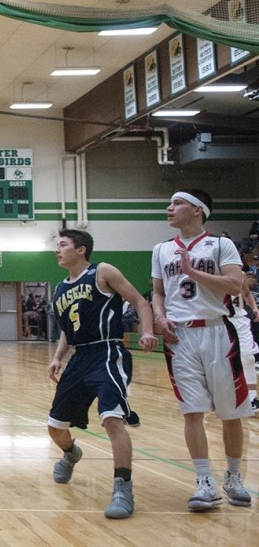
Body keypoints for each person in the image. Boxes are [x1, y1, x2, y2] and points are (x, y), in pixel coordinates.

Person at [151, 189, 251, 511]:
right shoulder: (161, 249)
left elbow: (235, 285)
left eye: (177, 203)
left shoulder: (222, 244)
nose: (170, 208)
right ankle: (204, 482)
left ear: (197, 210)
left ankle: (234, 477)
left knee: (230, 413)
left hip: (218, 331)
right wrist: (159, 316)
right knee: (191, 411)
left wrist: (193, 272)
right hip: (180, 337)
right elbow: (157, 292)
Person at [46, 229, 157, 519]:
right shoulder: (59, 288)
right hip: (79, 357)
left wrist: (147, 330)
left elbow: (140, 301)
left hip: (107, 352)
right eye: (57, 245)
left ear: (81, 250)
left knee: (112, 419)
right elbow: (67, 331)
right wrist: (58, 357)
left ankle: (123, 487)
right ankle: (71, 453)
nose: (57, 250)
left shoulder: (102, 271)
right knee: (55, 427)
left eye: (63, 245)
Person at [228, 272, 259, 412]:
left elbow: (246, 294)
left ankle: (252, 398)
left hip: (239, 318)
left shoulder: (239, 274)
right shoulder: (210, 270)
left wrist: (254, 307)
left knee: (248, 358)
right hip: (219, 320)